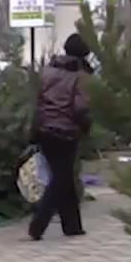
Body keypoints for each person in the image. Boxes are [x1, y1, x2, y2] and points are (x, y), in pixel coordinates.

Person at [30, 33, 92, 240]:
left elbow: (39, 100)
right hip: (66, 131)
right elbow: (81, 107)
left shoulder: (48, 71)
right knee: (61, 178)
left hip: (45, 129)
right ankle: (38, 224)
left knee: (64, 177)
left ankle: (72, 224)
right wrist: (86, 127)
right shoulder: (81, 76)